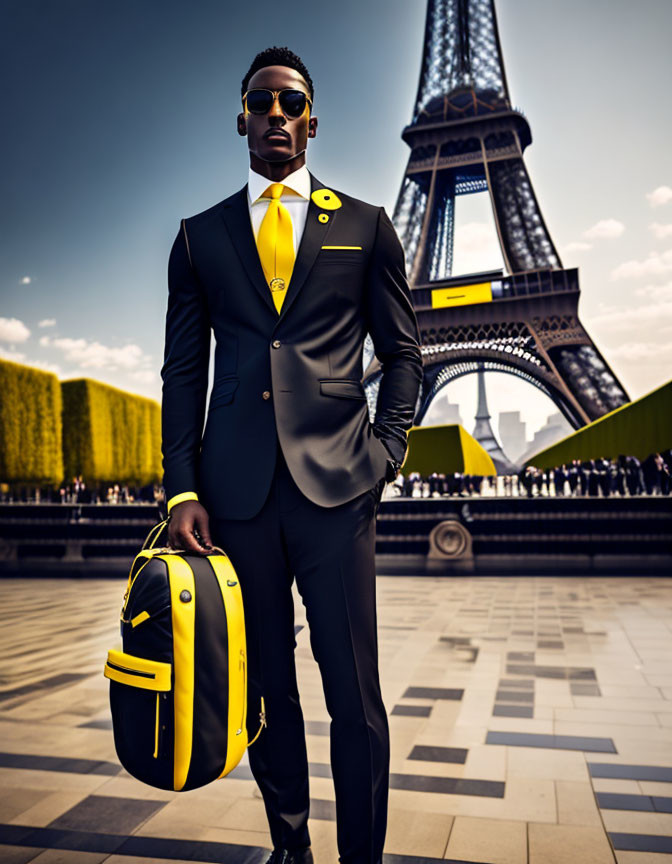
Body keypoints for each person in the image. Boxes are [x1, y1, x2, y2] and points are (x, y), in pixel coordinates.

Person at [160, 46, 423, 864]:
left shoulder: (367, 224)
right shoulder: (198, 239)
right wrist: (181, 490)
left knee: (356, 697)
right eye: (261, 102)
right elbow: (182, 372)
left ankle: (362, 859)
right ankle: (291, 847)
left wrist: (387, 450)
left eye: (291, 102)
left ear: (312, 120)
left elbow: (405, 353)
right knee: (266, 689)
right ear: (242, 115)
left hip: (340, 489)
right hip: (236, 498)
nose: (276, 114)